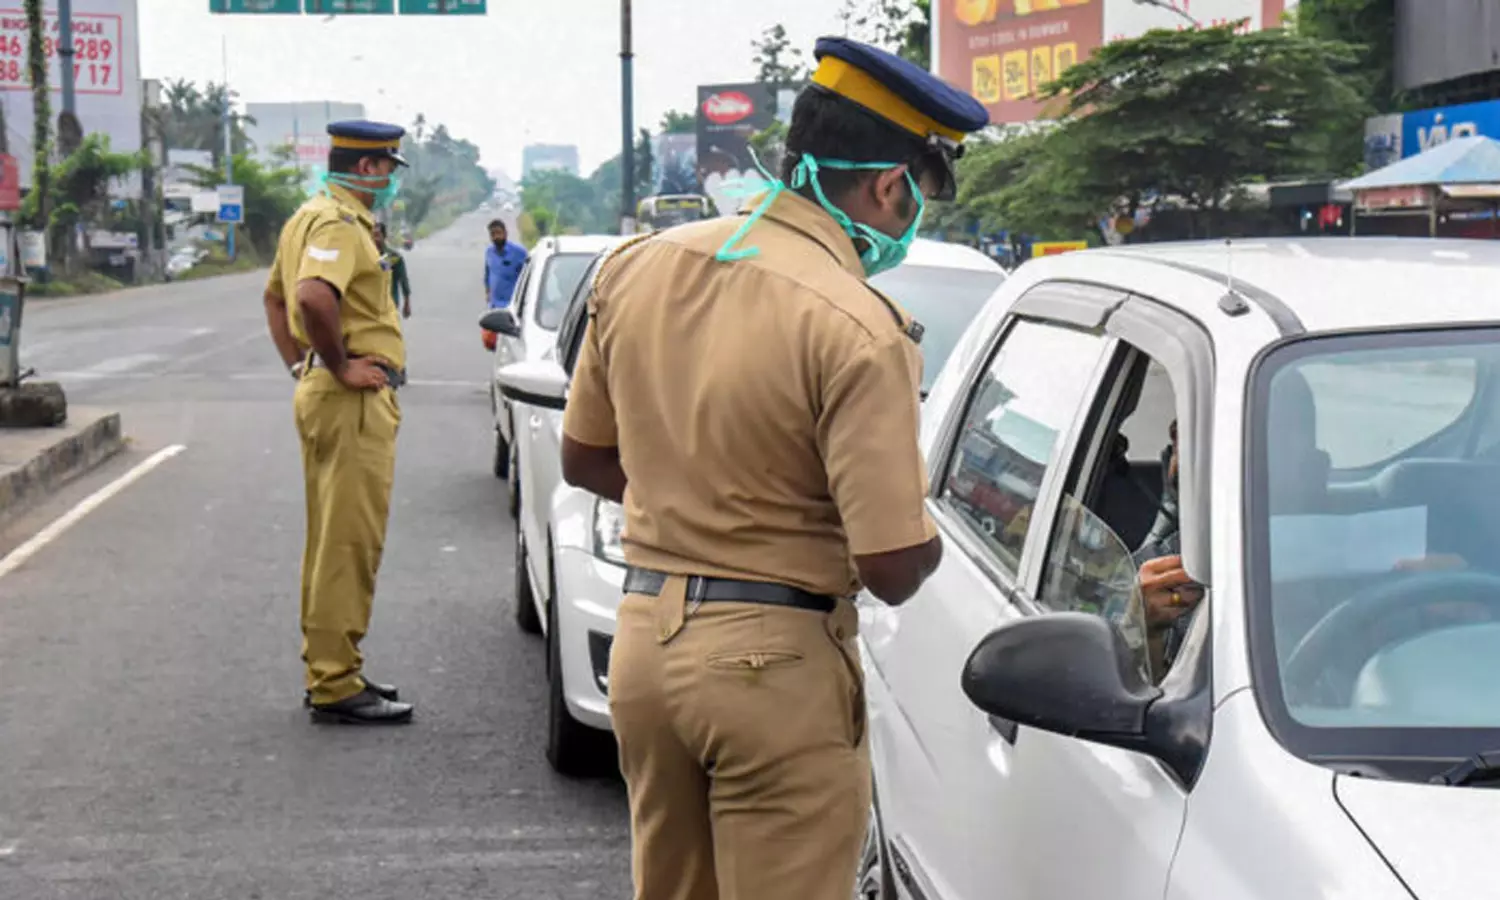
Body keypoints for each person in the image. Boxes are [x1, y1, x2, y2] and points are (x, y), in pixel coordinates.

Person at [559, 37, 987, 900]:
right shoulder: (860, 327)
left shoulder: (638, 268)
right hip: (773, 671)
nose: (910, 222)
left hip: (645, 649)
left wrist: (700, 502)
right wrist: (939, 524)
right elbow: (890, 565)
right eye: (921, 197)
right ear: (890, 187)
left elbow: (584, 457)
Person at [260, 119, 414, 725]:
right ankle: (334, 682)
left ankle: (330, 667)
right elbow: (310, 297)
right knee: (349, 542)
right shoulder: (338, 224)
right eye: (388, 169)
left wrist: (302, 366)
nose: (391, 181)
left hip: (327, 392)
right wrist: (339, 366)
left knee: (330, 539)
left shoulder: (305, 217)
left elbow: (275, 298)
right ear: (369, 168)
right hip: (351, 401)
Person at [481, 219, 527, 351]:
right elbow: (487, 274)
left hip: (512, 308)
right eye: (493, 234)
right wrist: (488, 292)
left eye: (499, 233)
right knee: (492, 344)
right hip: (495, 307)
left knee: (511, 347)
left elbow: (528, 274)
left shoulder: (519, 253)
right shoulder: (489, 252)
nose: (496, 237)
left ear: (506, 233)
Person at [373, 222, 411, 319]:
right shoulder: (366, 255)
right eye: (372, 236)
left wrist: (407, 302)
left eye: (377, 235)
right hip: (370, 306)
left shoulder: (392, 257)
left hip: (390, 304)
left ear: (384, 236)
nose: (374, 239)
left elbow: (403, 280)